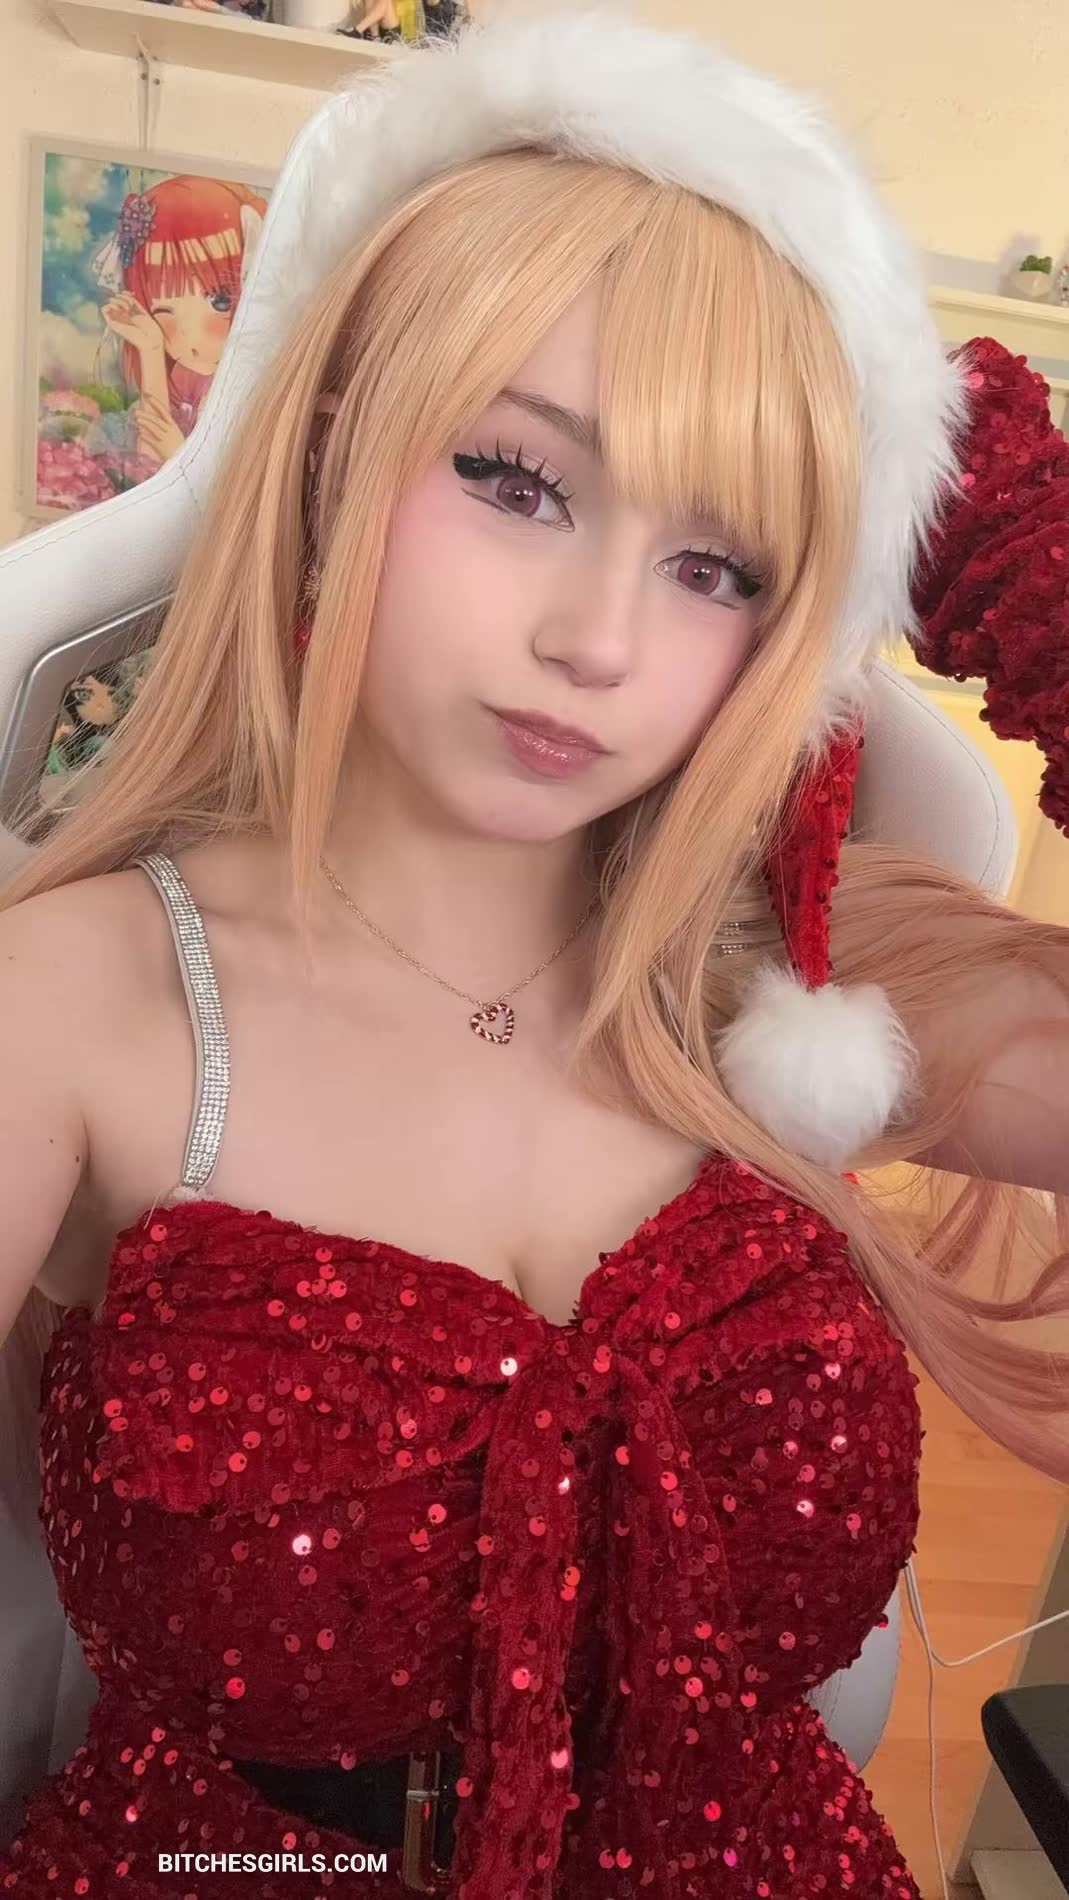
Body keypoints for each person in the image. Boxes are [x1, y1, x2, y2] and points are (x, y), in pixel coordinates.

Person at [1, 9, 1067, 1898]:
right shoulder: (79, 999)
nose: (599, 638)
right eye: (515, 479)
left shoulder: (800, 987)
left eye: (717, 566)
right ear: (336, 448)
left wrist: (1031, 576)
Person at [96, 175, 267, 467]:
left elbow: (247, 483)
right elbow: (151, 457)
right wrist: (151, 347)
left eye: (219, 301)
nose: (192, 341)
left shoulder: (260, 385)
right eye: (163, 313)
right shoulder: (188, 377)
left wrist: (179, 454)